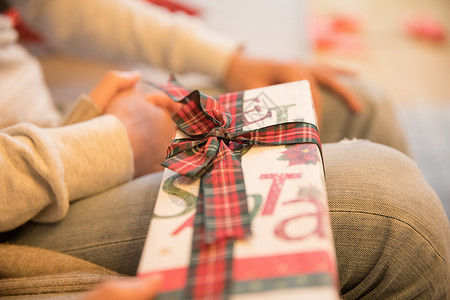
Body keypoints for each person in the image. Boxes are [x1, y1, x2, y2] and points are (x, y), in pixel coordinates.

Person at [0, 0, 448, 299]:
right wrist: (117, 140)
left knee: (358, 105)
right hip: (19, 223)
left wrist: (229, 60)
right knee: (399, 218)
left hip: (53, 137)